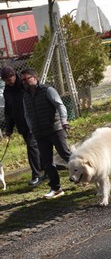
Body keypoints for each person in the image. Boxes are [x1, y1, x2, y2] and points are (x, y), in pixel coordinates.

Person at [21, 67, 71, 199]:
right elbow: (27, 115)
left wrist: (64, 121)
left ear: (35, 78)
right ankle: (56, 188)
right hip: (39, 133)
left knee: (66, 154)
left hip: (55, 129)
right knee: (47, 162)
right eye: (22, 80)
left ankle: (84, 174)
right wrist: (31, 129)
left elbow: (60, 105)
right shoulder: (25, 96)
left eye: (27, 79)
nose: (24, 82)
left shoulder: (47, 90)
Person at [1, 65, 44, 186]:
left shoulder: (24, 84)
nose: (8, 83)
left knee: (32, 146)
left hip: (33, 120)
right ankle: (45, 170)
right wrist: (8, 129)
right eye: (5, 81)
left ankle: (36, 175)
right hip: (21, 123)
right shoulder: (7, 91)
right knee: (36, 146)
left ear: (14, 75)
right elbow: (8, 111)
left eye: (9, 80)